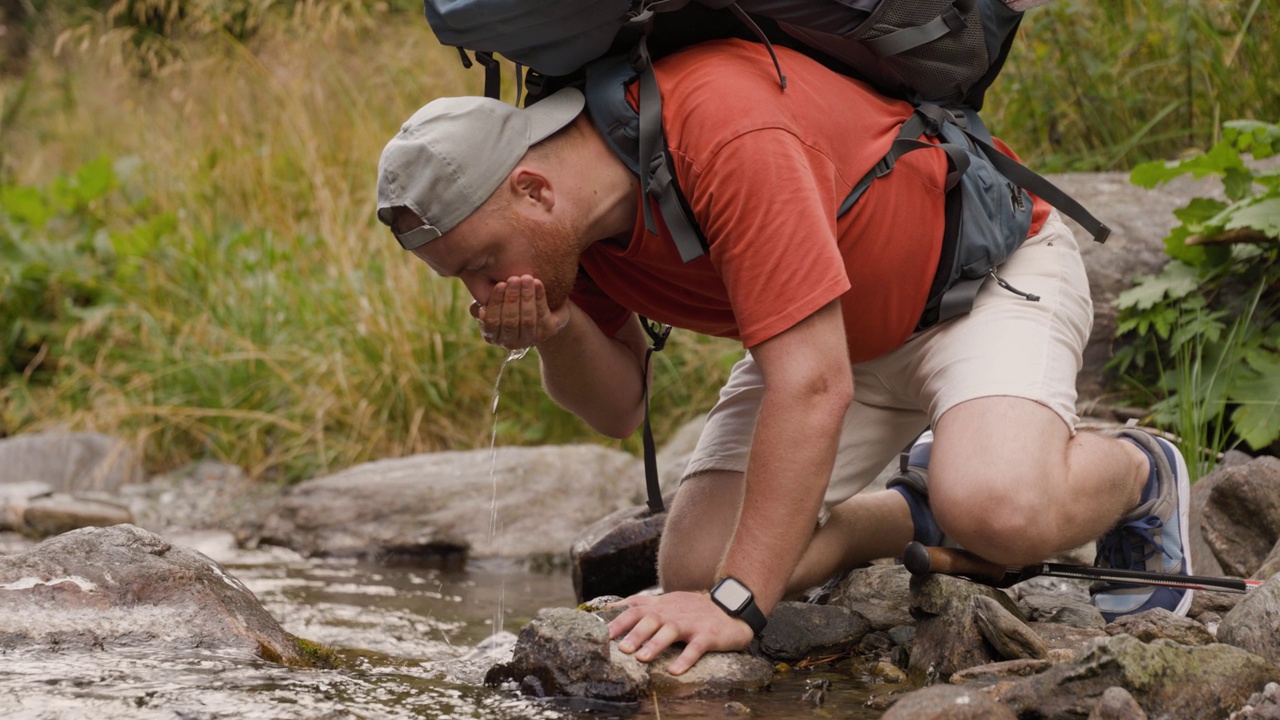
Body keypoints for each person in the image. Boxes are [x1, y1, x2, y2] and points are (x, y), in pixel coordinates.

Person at [375, 38, 1192, 675]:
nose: (483, 292)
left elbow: (811, 387)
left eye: (483, 264)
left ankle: (1140, 470)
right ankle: (913, 507)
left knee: (1002, 513)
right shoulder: (568, 235)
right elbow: (618, 405)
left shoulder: (721, 128)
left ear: (533, 188)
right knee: (690, 566)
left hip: (978, 286)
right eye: (466, 280)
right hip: (836, 330)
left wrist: (740, 603)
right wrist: (554, 326)